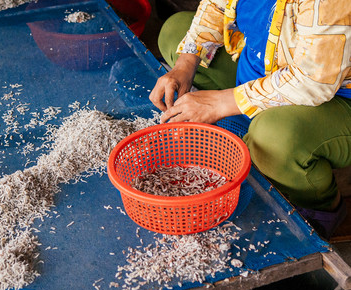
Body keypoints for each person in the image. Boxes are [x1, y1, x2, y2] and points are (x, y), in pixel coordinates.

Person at [149, 0, 351, 239]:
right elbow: (217, 5)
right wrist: (185, 64)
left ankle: (321, 206)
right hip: (266, 66)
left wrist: (220, 103)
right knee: (175, 31)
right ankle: (243, 120)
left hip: (333, 95)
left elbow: (312, 81)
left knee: (274, 137)